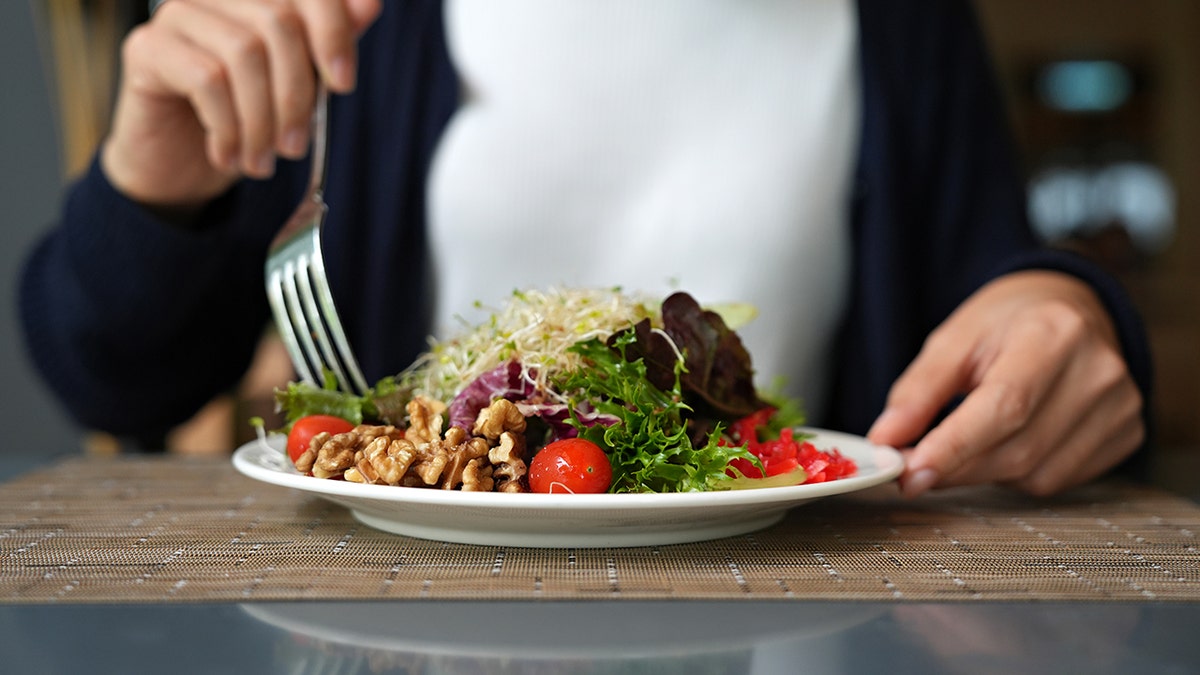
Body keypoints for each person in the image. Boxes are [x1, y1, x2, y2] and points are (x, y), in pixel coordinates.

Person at [18, 0, 1151, 498]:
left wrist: (1065, 308)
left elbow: (997, 279)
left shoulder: (902, 19)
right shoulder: (343, 16)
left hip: (814, 627)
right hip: (392, 627)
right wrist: (151, 184)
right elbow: (114, 374)